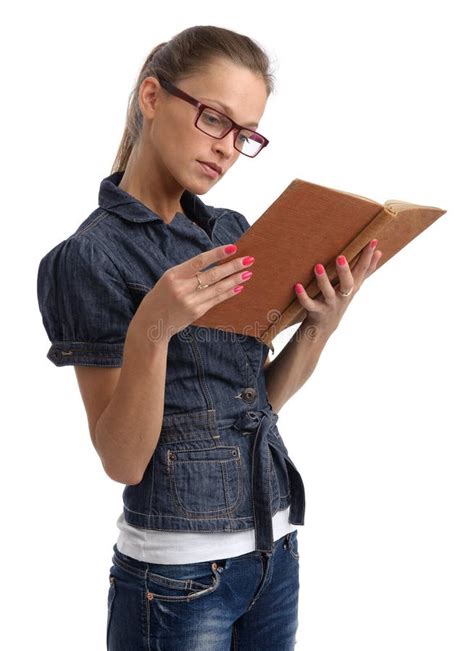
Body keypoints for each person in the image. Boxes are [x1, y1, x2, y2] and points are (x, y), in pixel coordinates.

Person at [36, 25, 382, 651]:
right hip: (177, 578)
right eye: (214, 120)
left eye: (245, 134)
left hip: (274, 549)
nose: (227, 148)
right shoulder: (88, 258)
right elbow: (121, 459)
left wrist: (318, 330)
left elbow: (256, 404)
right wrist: (152, 329)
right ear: (151, 97)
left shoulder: (234, 235)